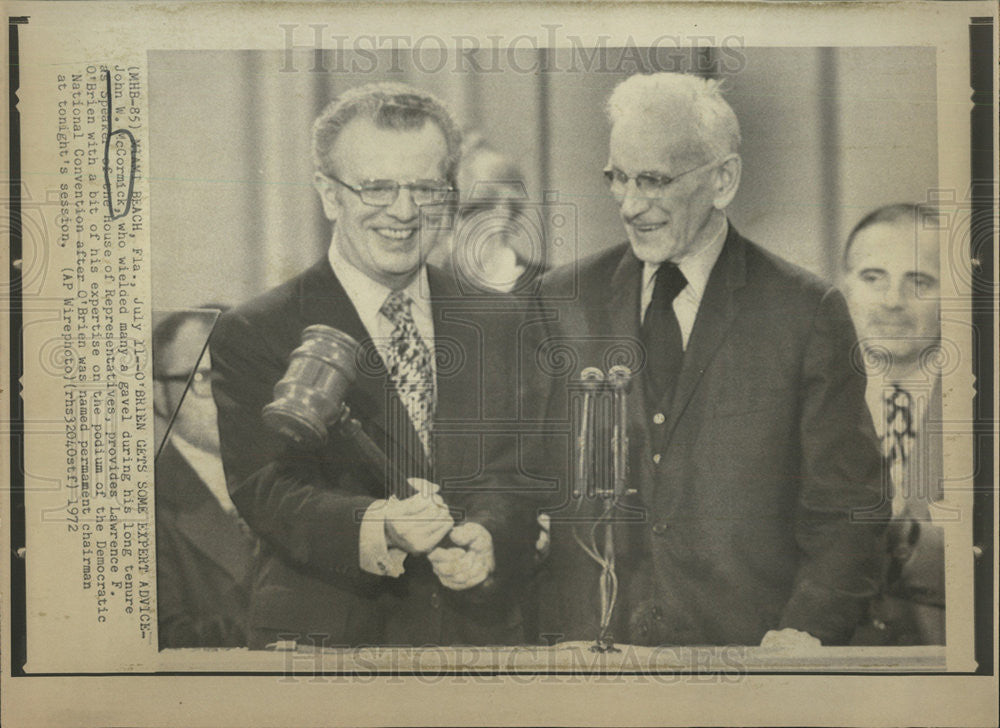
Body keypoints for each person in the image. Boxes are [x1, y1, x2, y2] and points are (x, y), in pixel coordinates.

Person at [523, 72, 888, 647]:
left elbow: (848, 510)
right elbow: (525, 483)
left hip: (749, 663)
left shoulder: (804, 311)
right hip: (592, 660)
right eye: (617, 178)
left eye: (654, 180)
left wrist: (803, 631)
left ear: (723, 179)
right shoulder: (559, 300)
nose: (630, 204)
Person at [210, 83, 534, 649]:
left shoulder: (499, 321)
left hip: (479, 641)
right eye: (377, 187)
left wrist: (490, 534)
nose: (404, 212)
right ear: (329, 195)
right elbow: (265, 489)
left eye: (425, 187)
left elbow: (515, 471)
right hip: (332, 648)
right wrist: (378, 524)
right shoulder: (256, 329)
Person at [840, 204, 946, 645]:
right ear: (844, 287)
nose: (891, 301)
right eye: (872, 277)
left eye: (918, 281)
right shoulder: (803, 396)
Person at [153, 308, 257, 648]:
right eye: (205, 378)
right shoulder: (147, 505)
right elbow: (167, 640)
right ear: (159, 394)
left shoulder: (292, 482)